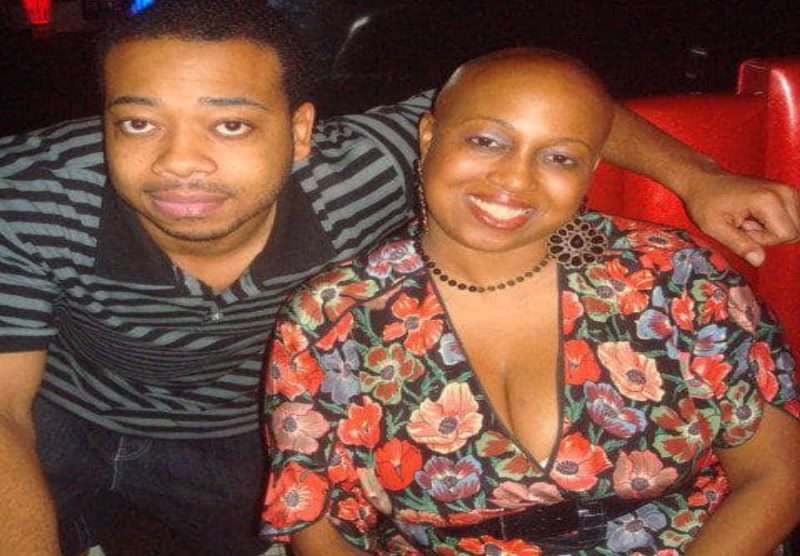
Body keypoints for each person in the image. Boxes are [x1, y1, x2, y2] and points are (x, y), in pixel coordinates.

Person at [0, 0, 798, 554]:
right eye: (139, 121)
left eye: (232, 123)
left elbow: (549, 107)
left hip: (231, 433)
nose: (182, 161)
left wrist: (700, 177)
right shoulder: (32, 192)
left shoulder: (664, 273)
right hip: (64, 409)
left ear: (300, 134)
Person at [260, 48, 800, 555]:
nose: (515, 178)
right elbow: (319, 521)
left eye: (559, 157)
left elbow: (777, 474)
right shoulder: (333, 317)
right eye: (486, 141)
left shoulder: (671, 275)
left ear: (590, 171)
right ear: (428, 137)